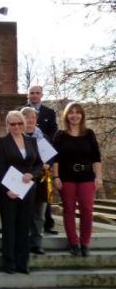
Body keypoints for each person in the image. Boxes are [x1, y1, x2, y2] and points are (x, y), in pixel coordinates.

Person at [53, 102, 103, 257]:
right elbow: (55, 159)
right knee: (68, 210)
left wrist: (99, 177)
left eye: (77, 112)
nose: (74, 115)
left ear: (82, 115)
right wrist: (56, 176)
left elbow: (96, 157)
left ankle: (85, 242)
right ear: (66, 116)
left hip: (87, 177)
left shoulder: (89, 134)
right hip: (66, 177)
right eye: (71, 112)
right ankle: (73, 242)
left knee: (87, 210)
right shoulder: (60, 135)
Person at [0, 111, 41, 274]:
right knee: (9, 227)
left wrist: (33, 174)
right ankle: (9, 263)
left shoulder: (32, 141)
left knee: (24, 227)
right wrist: (7, 189)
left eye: (19, 123)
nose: (16, 127)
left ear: (24, 124)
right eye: (12, 124)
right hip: (9, 192)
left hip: (27, 190)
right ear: (7, 125)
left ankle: (23, 263)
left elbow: (39, 165)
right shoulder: (2, 142)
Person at [26, 85, 59, 235]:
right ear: (28, 95)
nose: (34, 95)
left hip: (44, 159)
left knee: (45, 196)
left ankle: (48, 224)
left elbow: (53, 135)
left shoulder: (49, 112)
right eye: (31, 93)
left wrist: (49, 158)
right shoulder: (21, 111)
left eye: (37, 93)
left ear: (41, 95)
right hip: (28, 163)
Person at [21, 107, 52, 255]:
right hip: (23, 179)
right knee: (24, 213)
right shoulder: (17, 137)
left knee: (39, 214)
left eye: (33, 117)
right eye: (27, 117)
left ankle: (37, 243)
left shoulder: (43, 137)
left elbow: (51, 158)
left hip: (40, 180)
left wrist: (48, 164)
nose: (30, 120)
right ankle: (23, 242)